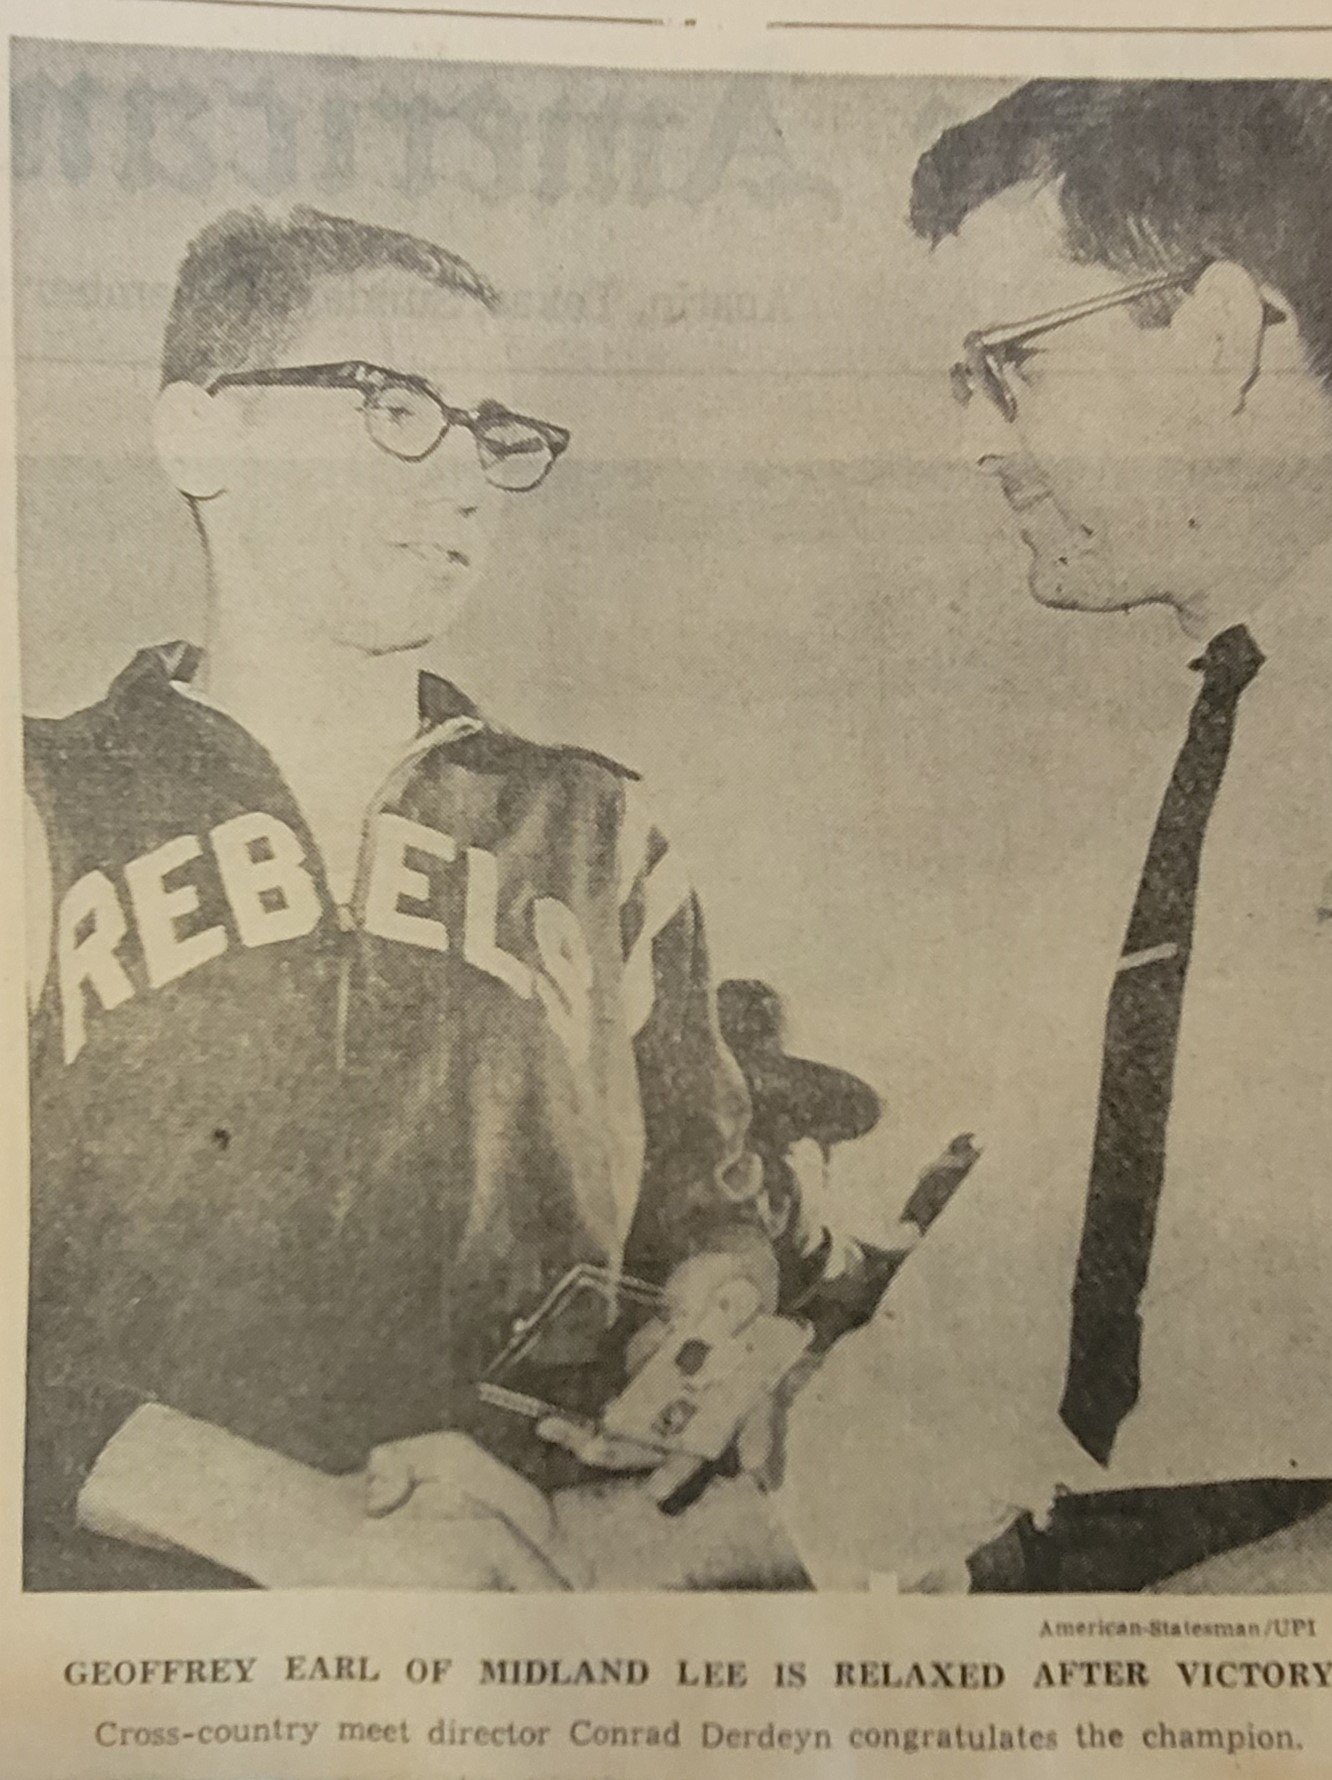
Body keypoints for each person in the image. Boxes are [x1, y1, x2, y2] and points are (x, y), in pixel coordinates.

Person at [23, 206, 776, 1591]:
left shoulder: (603, 826)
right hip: (153, 1642)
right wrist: (292, 1518)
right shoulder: (44, 795)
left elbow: (711, 1214)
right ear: (201, 435)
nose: (470, 478)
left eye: (488, 430)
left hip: (535, 1611)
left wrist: (713, 1327)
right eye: (393, 407)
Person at [773, 77, 1332, 1592]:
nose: (974, 444)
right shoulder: (1183, 791)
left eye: (1008, 365)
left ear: (1224, 334)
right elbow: (1013, 1321)